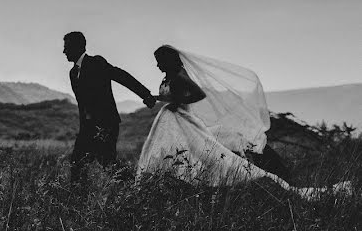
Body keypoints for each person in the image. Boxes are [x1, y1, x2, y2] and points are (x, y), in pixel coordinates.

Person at [137, 45, 352, 199]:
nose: (156, 65)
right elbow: (172, 95)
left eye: (159, 61)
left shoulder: (179, 75)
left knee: (198, 152)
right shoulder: (169, 76)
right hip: (171, 119)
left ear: (167, 60)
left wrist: (175, 101)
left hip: (182, 118)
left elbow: (198, 94)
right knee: (175, 151)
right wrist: (159, 98)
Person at [63, 31, 156, 184]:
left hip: (106, 124)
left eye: (67, 47)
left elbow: (121, 76)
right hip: (87, 128)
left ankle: (135, 186)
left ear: (77, 47)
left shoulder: (96, 62)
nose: (64, 51)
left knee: (108, 164)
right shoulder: (73, 73)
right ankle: (78, 198)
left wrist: (145, 94)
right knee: (77, 163)